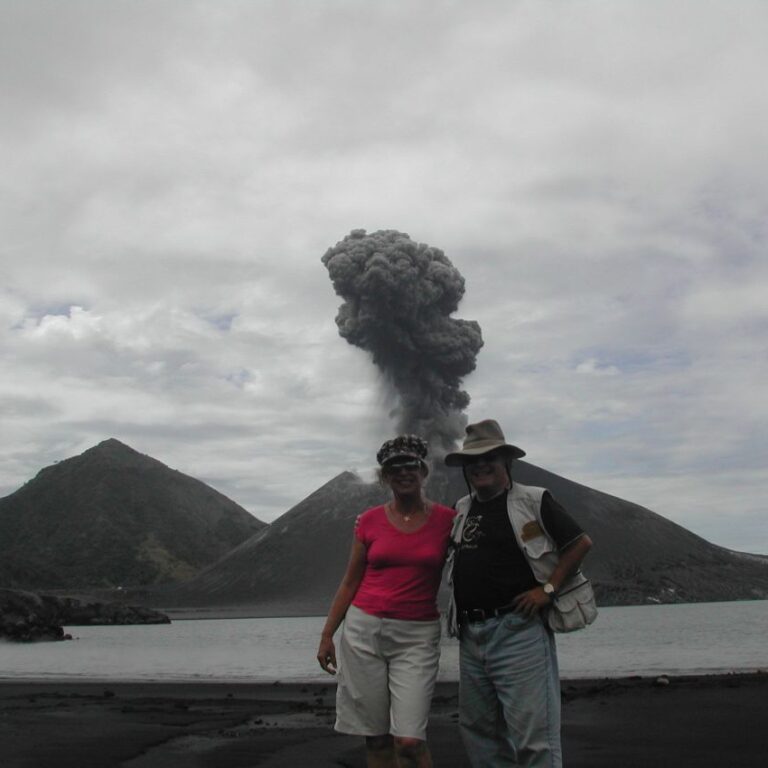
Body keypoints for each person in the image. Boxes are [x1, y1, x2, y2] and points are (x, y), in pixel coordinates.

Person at [444, 419, 593, 768]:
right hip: (470, 636)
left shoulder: (533, 500)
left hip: (518, 632)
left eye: (489, 458)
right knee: (480, 733)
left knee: (535, 739)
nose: (480, 465)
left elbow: (580, 543)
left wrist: (548, 590)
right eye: (473, 460)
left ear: (506, 461)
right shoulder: (461, 509)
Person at [317, 434, 456, 768]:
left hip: (417, 635)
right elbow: (350, 581)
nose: (403, 472)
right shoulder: (368, 521)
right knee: (376, 738)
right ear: (385, 476)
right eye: (394, 467)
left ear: (423, 471)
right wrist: (327, 635)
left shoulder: (448, 520)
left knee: (409, 741)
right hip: (363, 631)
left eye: (410, 464)